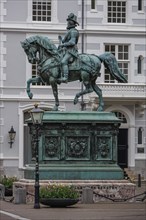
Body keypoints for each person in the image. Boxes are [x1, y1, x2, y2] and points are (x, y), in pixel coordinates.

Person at [58, 13, 79, 83]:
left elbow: (72, 42)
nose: (67, 23)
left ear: (71, 22)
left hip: (71, 51)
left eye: (69, 21)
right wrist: (61, 41)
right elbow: (65, 41)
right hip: (66, 50)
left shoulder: (73, 31)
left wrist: (63, 45)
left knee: (63, 61)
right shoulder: (70, 31)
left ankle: (65, 77)